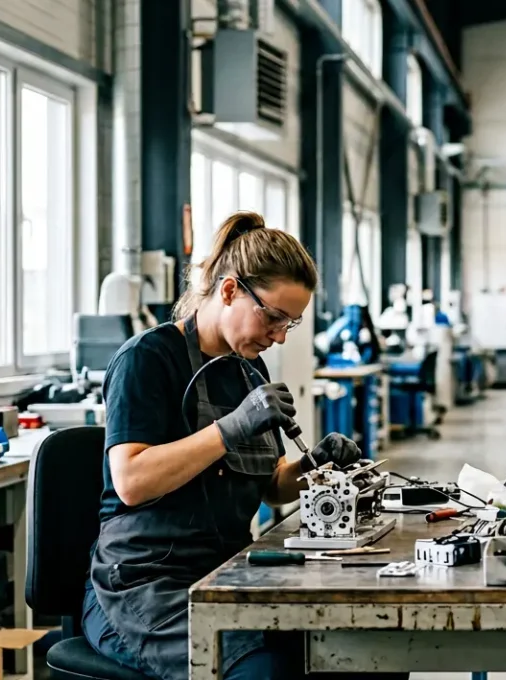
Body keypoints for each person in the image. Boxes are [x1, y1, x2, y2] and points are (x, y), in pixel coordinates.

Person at [81, 212, 381, 680]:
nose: (279, 336)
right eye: (274, 317)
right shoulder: (147, 359)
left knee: (362, 649)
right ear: (228, 290)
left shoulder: (248, 370)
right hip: (144, 584)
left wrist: (313, 461)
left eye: (292, 323)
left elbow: (273, 486)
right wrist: (231, 428)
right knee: (262, 669)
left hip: (229, 571)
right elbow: (132, 482)